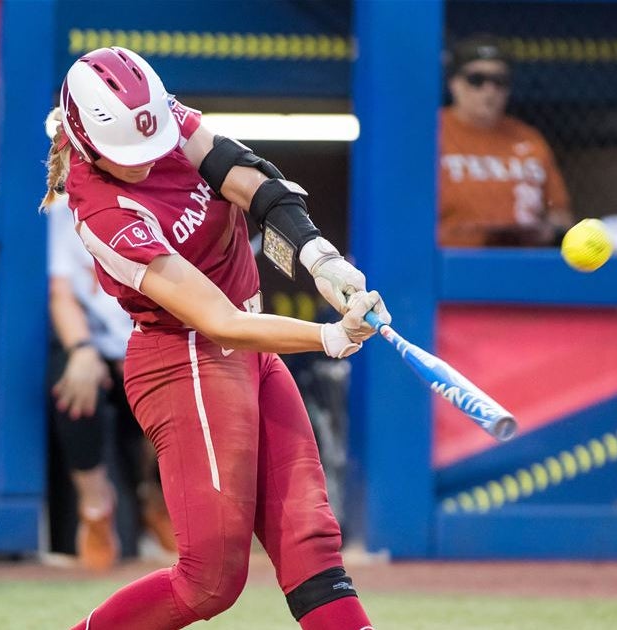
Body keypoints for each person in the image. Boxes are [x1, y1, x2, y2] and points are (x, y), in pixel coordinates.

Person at [42, 47, 389, 630]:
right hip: (186, 361)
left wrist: (318, 255)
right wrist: (331, 336)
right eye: (128, 156)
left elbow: (252, 181)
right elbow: (219, 321)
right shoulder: (103, 213)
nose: (146, 163)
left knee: (311, 540)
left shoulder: (161, 119)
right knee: (210, 582)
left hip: (247, 350)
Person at [46, 199, 176, 570]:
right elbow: (62, 294)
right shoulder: (62, 212)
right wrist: (82, 350)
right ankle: (95, 509)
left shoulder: (167, 203)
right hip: (94, 342)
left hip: (151, 334)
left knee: (175, 390)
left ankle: (155, 497)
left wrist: (140, 346)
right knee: (72, 384)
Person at [438, 34, 572, 247]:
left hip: (523, 261)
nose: (489, 90)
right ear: (454, 82)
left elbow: (559, 214)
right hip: (450, 262)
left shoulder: (529, 138)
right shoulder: (432, 132)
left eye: (499, 81)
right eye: (477, 79)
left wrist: (548, 233)